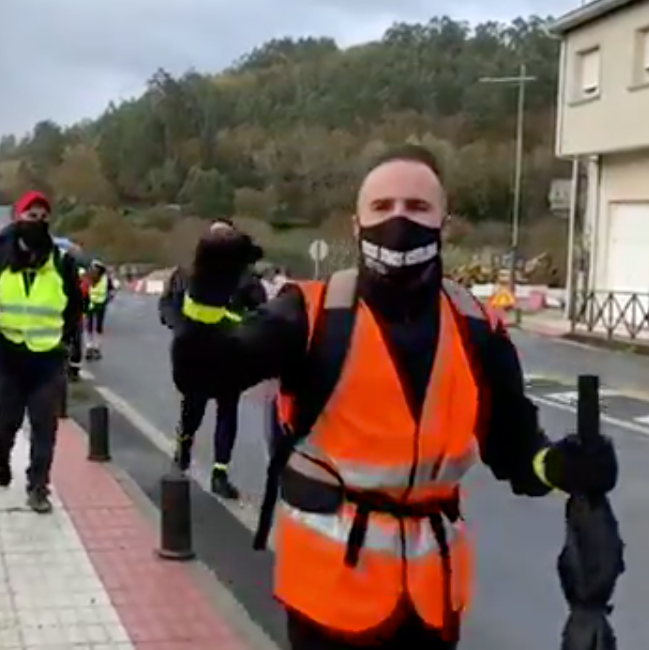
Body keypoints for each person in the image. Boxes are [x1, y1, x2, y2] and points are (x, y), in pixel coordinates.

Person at [171, 144, 618, 649]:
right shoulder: (311, 314)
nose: (399, 221)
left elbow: (515, 451)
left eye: (417, 207)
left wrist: (561, 467)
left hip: (431, 604)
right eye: (382, 208)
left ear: (444, 225)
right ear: (356, 227)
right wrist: (207, 295)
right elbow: (202, 375)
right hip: (329, 602)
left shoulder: (476, 327)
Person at [0, 190, 83, 513]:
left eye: (44, 218)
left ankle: (38, 487)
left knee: (45, 424)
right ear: (19, 218)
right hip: (9, 355)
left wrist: (66, 338)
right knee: (8, 421)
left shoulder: (61, 262)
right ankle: (1, 452)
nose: (38, 222)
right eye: (32, 216)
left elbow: (75, 306)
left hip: (47, 358)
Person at [159, 218, 268, 500]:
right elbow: (168, 305)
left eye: (227, 234)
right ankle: (184, 448)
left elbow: (262, 313)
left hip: (230, 356)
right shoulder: (188, 275)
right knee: (192, 410)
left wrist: (245, 333)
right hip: (194, 353)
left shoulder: (246, 279)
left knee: (227, 412)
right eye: (217, 234)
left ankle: (220, 473)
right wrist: (181, 328)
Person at [83, 260, 114, 360]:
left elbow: (110, 291)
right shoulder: (91, 277)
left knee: (93, 326)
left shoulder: (100, 278)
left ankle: (93, 347)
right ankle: (92, 348)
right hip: (94, 304)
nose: (94, 270)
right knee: (93, 326)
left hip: (95, 304)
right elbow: (111, 291)